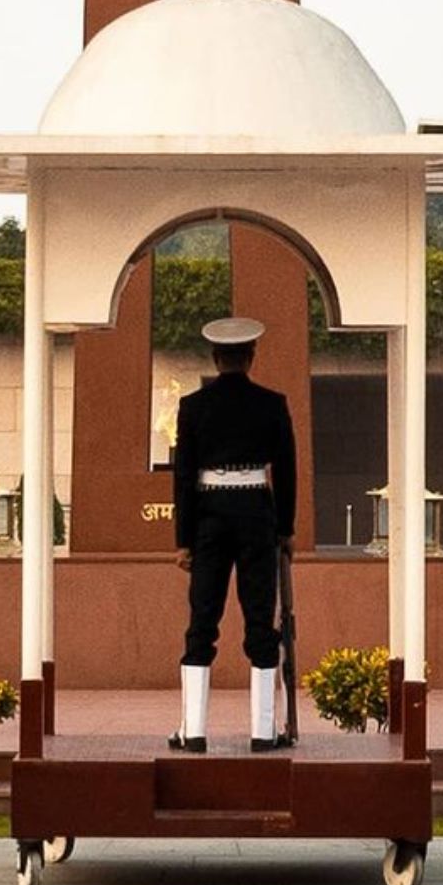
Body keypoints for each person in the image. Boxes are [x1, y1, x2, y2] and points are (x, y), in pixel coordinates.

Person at [169, 316, 296, 753]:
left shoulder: (194, 406)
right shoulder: (272, 404)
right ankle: (263, 730)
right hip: (257, 513)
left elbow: (184, 477)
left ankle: (193, 730)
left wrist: (183, 540)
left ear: (215, 358)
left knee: (203, 619)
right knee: (260, 618)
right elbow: (287, 472)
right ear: (251, 356)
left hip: (210, 515)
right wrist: (285, 529)